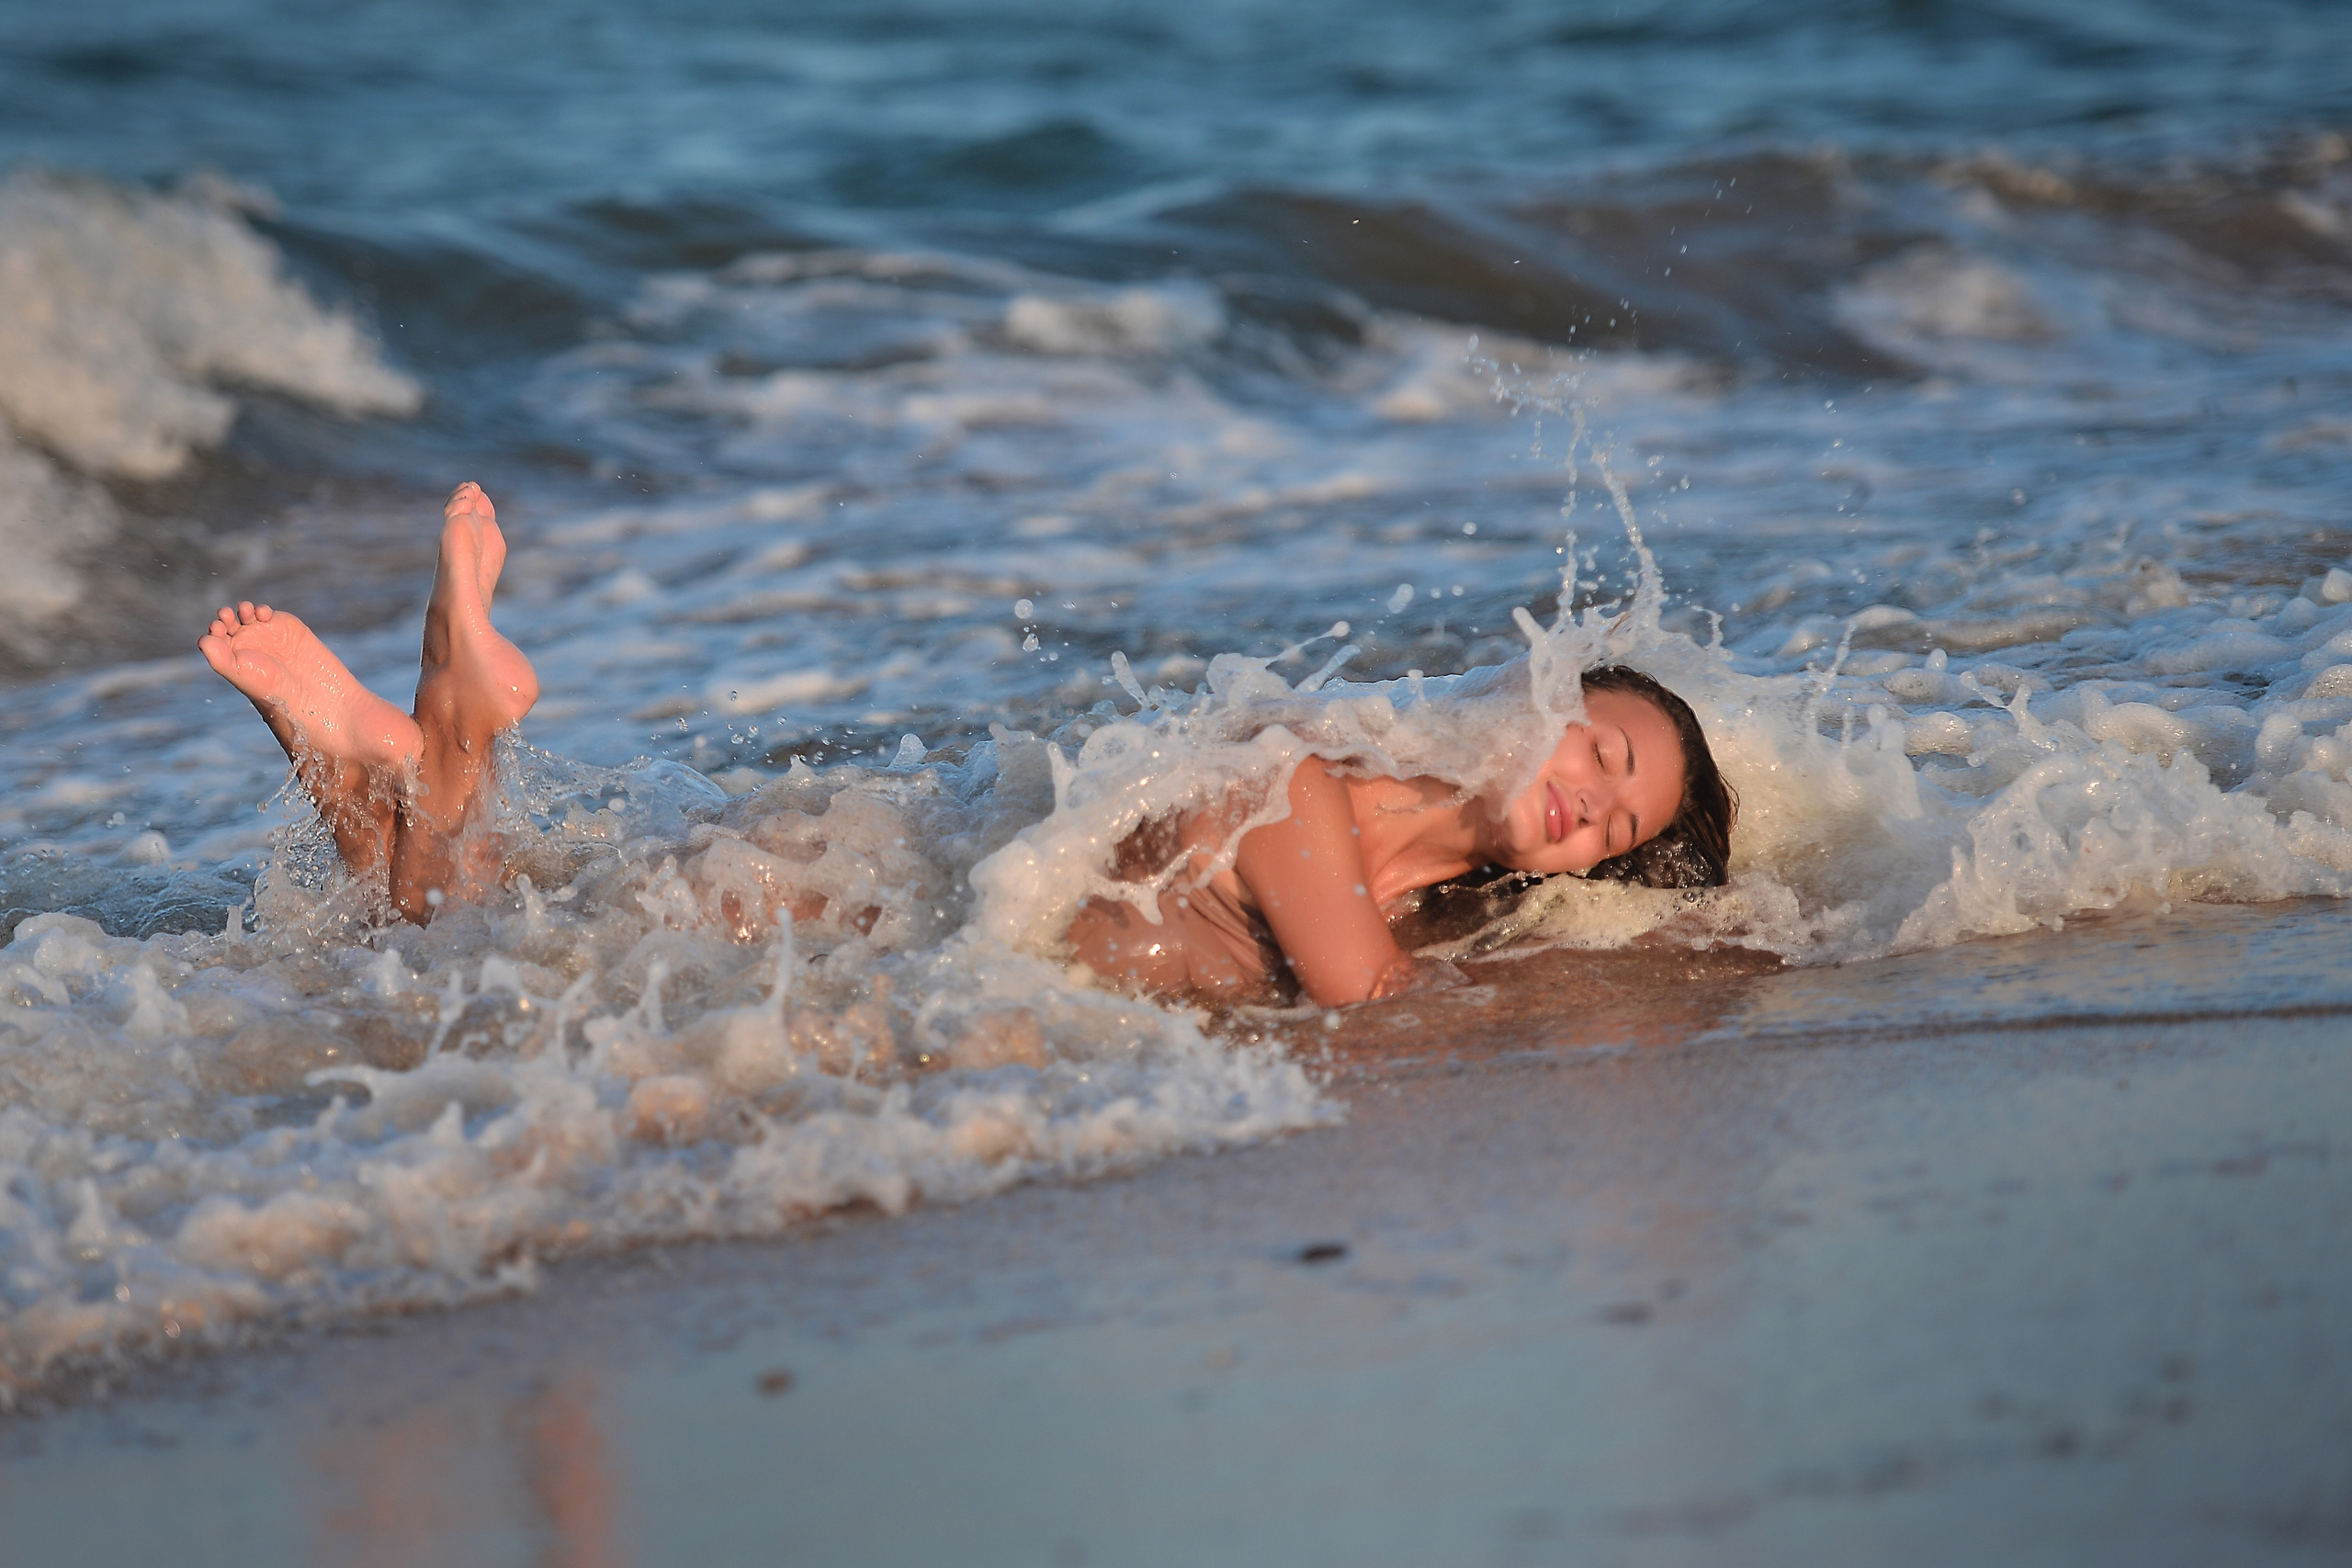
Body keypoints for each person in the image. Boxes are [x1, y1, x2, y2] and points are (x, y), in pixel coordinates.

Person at [199, 484, 1735, 1010]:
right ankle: (438, 733)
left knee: (441, 939)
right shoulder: (1307, 791)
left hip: (869, 897)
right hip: (835, 914)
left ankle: (384, 737)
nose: (1594, 808)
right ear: (1539, 695)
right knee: (457, 955)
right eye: (1602, 754)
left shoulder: (1428, 883)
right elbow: (1376, 1015)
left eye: (1624, 824)